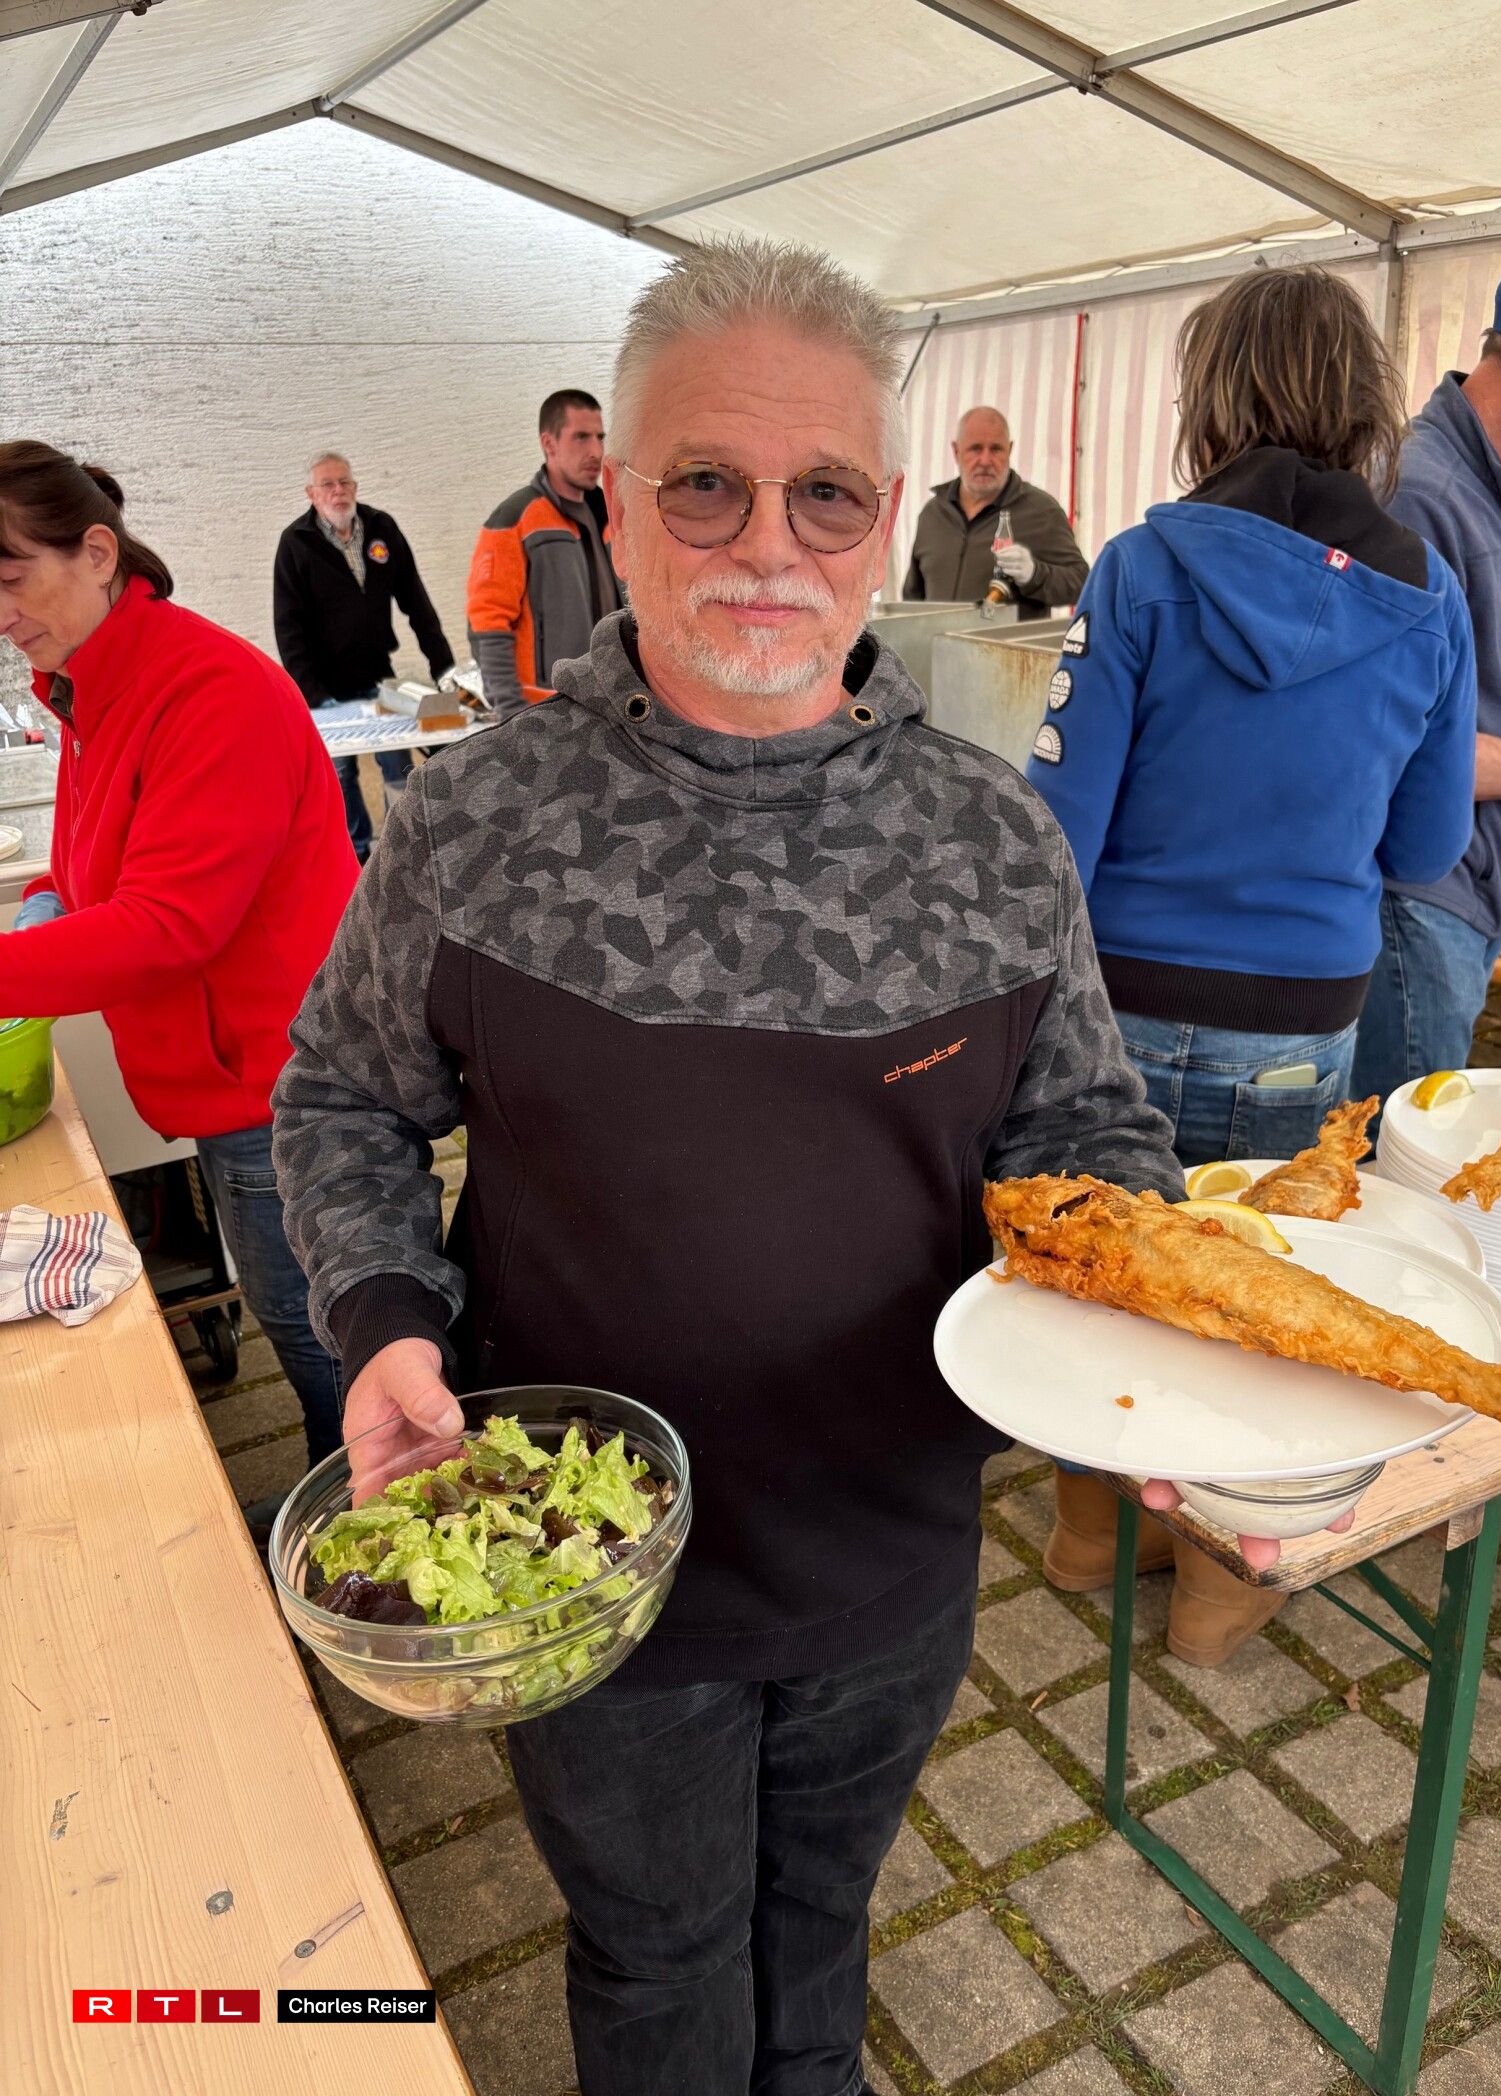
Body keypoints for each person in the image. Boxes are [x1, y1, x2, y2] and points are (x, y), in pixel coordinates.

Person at [273, 235, 1186, 2096]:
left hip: (889, 1552)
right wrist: (384, 1324)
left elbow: (1085, 1139)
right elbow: (343, 1097)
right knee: (658, 1953)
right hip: (591, 1576)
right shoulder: (480, 820)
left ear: (883, 524)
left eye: (824, 492)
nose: (767, 544)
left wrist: (1174, 1355)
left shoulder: (991, 840)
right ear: (615, 501)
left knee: (821, 1925)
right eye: (706, 483)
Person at [1023, 268, 1478, 1663]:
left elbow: (1054, 833)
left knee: (1104, 1273)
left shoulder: (1142, 566)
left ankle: (1092, 1530)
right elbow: (1428, 846)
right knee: (1253, 1300)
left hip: (1118, 1012)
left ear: (1211, 401)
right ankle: (1223, 1593)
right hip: (1301, 1025)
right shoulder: (1430, 597)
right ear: (1366, 406)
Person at [0, 442, 357, 1509]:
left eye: (11, 576)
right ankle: (339, 1504)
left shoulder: (207, 687)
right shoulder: (92, 686)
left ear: (96, 551)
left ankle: (375, 1526)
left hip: (285, 1082)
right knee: (299, 1320)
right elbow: (90, 865)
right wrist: (44, 903)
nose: (0, 612)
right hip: (218, 1074)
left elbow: (167, 924)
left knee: (324, 1333)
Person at [1351, 219, 1501, 1102]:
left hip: (1464, 908)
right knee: (1390, 1161)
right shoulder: (1418, 496)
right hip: (1415, 907)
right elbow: (1402, 751)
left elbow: (1483, 709)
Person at [273, 450, 456, 863]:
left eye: (345, 482)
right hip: (325, 689)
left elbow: (418, 606)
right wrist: (314, 696)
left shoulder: (381, 528)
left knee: (398, 764)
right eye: (328, 484)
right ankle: (354, 857)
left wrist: (446, 674)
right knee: (340, 776)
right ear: (311, 493)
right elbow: (288, 630)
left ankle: (400, 852)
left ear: (355, 487)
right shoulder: (295, 544)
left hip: (378, 677)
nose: (338, 491)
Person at [466, 388, 624, 713]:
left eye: (600, 437)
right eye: (581, 437)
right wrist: (511, 712)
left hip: (610, 702)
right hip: (544, 709)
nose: (596, 451)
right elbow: (488, 625)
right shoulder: (514, 519)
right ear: (549, 444)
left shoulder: (612, 516)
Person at [902, 405, 1088, 615]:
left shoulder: (1042, 512)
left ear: (1010, 450)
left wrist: (1034, 574)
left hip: (1005, 639)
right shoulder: (933, 513)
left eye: (996, 449)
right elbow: (912, 597)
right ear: (956, 451)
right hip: (935, 637)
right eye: (975, 448)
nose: (985, 460)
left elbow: (1081, 583)